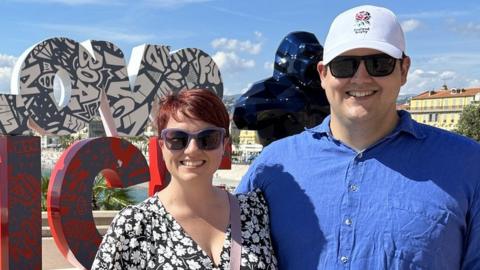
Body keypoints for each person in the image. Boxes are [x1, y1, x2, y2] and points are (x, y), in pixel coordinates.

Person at [236, 5, 480, 270]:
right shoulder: (273, 165)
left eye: (379, 63)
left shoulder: (468, 165)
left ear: (404, 70)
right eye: (344, 65)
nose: (361, 77)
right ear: (323, 74)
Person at [92, 89, 277, 269]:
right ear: (162, 146)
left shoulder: (254, 211)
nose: (192, 149)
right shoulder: (133, 226)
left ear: (224, 145)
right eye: (177, 138)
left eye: (208, 138)